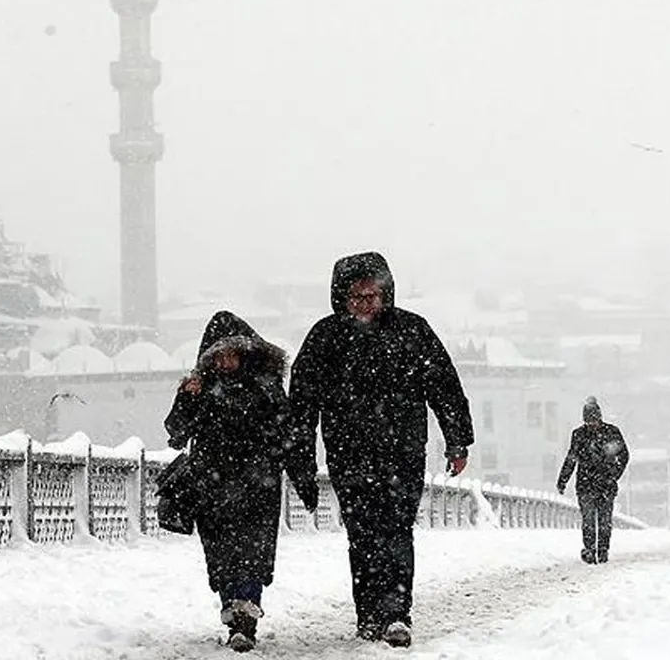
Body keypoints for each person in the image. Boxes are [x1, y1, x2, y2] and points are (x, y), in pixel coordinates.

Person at [287, 252, 474, 647]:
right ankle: (369, 613)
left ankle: (395, 613)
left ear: (385, 294)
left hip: (402, 452)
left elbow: (444, 386)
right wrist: (300, 458)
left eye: (372, 295)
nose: (366, 304)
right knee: (362, 533)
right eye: (357, 296)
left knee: (396, 529)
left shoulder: (412, 331)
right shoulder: (325, 339)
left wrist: (457, 439)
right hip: (348, 454)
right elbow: (301, 404)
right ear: (342, 298)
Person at [165, 311, 319, 653]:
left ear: (248, 351)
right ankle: (233, 611)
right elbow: (176, 435)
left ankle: (245, 619)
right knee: (221, 556)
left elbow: (289, 436)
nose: (226, 361)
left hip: (258, 486)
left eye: (232, 352)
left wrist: (303, 478)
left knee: (252, 553)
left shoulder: (267, 387)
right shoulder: (201, 389)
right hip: (212, 487)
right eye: (219, 355)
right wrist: (186, 398)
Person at [556, 396, 630, 564]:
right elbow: (571, 458)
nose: (591, 424)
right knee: (589, 519)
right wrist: (563, 480)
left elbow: (624, 455)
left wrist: (613, 475)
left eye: (593, 420)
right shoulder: (579, 435)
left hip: (604, 484)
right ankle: (590, 549)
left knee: (604, 519)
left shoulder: (612, 432)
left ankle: (602, 550)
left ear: (599, 417)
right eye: (588, 421)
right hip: (586, 485)